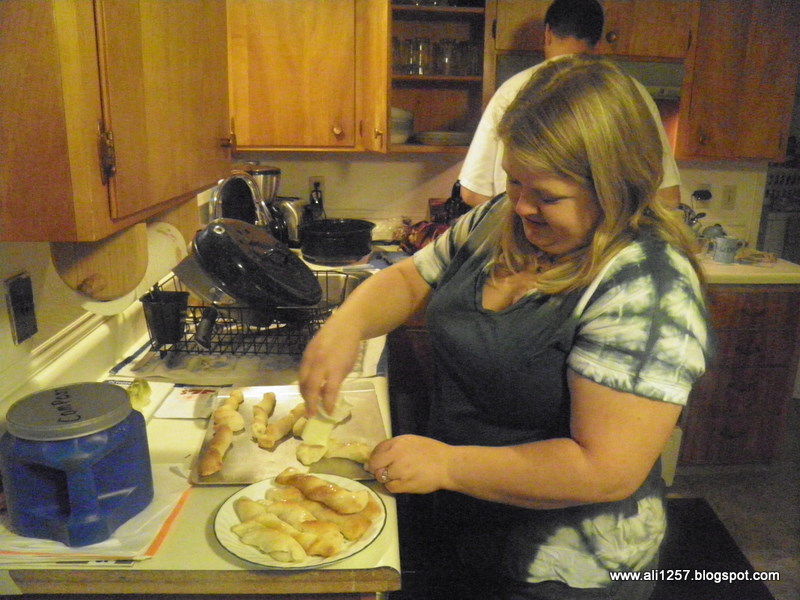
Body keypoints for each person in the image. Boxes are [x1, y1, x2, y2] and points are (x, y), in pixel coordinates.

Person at [300, 55, 710, 600]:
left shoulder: (647, 285)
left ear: (616, 185)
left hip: (562, 568)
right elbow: (408, 278)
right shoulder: (500, 220)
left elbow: (605, 469)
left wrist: (448, 464)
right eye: (515, 181)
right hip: (467, 523)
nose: (522, 206)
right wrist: (346, 325)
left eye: (547, 195)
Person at [459, 0, 682, 210]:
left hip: (523, 238)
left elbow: (473, 192)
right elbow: (668, 196)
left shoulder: (513, 91)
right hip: (610, 237)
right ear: (599, 42)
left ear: (548, 33)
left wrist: (518, 223)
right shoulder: (633, 94)